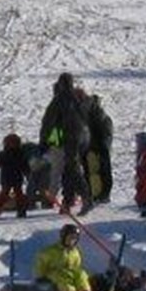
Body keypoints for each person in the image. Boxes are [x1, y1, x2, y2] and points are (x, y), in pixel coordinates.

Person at [39, 72, 90, 216]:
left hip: (69, 139)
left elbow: (48, 123)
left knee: (72, 169)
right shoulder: (78, 98)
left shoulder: (59, 100)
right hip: (82, 138)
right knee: (68, 170)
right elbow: (85, 118)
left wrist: (43, 142)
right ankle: (67, 202)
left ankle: (86, 197)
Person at [34, 223, 93, 291]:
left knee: (81, 274)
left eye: (74, 238)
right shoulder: (50, 251)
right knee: (63, 276)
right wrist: (40, 277)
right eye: (69, 237)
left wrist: (77, 274)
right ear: (63, 237)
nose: (72, 240)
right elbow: (40, 264)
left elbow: (77, 266)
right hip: (53, 275)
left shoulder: (75, 252)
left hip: (69, 274)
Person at [0, 134, 31, 217]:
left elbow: (25, 166)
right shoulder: (3, 154)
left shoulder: (20, 154)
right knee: (5, 194)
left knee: (18, 194)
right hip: (7, 178)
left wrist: (28, 175)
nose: (12, 145)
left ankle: (21, 210)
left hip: (16, 178)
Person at [85, 91, 115, 204]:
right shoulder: (104, 118)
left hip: (91, 149)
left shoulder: (88, 118)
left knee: (92, 172)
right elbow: (108, 134)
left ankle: (94, 194)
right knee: (103, 173)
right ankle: (103, 195)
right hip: (101, 149)